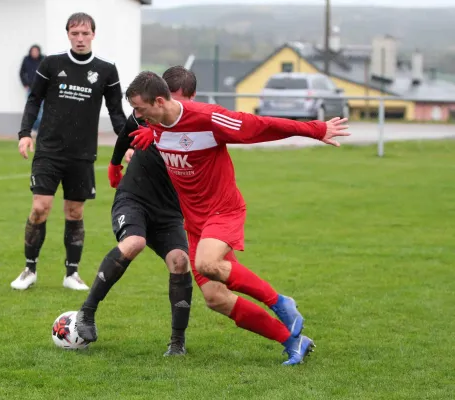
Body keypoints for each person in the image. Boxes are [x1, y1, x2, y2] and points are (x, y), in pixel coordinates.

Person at [125, 71, 350, 366]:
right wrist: (148, 136)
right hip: (194, 223)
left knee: (207, 264)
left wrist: (315, 129)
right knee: (215, 298)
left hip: (223, 210)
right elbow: (163, 134)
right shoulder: (155, 125)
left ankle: (281, 303)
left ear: (158, 101)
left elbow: (262, 126)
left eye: (139, 109)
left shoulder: (209, 118)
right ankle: (292, 341)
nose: (136, 115)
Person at [75, 66, 197, 356]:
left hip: (169, 211)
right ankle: (87, 312)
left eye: (177, 98)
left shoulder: (199, 124)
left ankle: (177, 343)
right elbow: (128, 130)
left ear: (192, 97)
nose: (166, 105)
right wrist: (115, 164)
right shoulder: (145, 114)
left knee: (180, 261)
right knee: (134, 242)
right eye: (164, 97)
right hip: (134, 198)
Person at [11, 12, 127, 291]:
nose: (80, 38)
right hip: (49, 151)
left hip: (82, 154)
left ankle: (71, 274)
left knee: (75, 212)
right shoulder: (51, 64)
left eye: (85, 33)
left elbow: (116, 113)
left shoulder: (107, 70)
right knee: (40, 208)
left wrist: (129, 146)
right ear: (68, 35)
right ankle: (29, 269)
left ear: (93, 35)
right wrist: (25, 134)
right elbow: (33, 100)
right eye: (75, 33)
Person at [19, 44, 45, 132]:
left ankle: (39, 129)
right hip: (31, 89)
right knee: (31, 110)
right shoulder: (26, 60)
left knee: (41, 111)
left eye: (36, 51)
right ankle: (34, 129)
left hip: (42, 89)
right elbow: (22, 73)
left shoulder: (44, 59)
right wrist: (25, 84)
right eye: (33, 51)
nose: (35, 53)